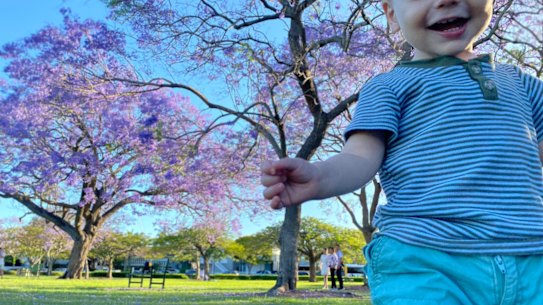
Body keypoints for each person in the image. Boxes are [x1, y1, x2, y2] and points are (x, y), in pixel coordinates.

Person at [261, 0, 543, 304]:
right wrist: (319, 177)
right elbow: (359, 156)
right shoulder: (389, 87)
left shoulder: (524, 85)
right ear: (392, 15)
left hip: (533, 256)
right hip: (426, 257)